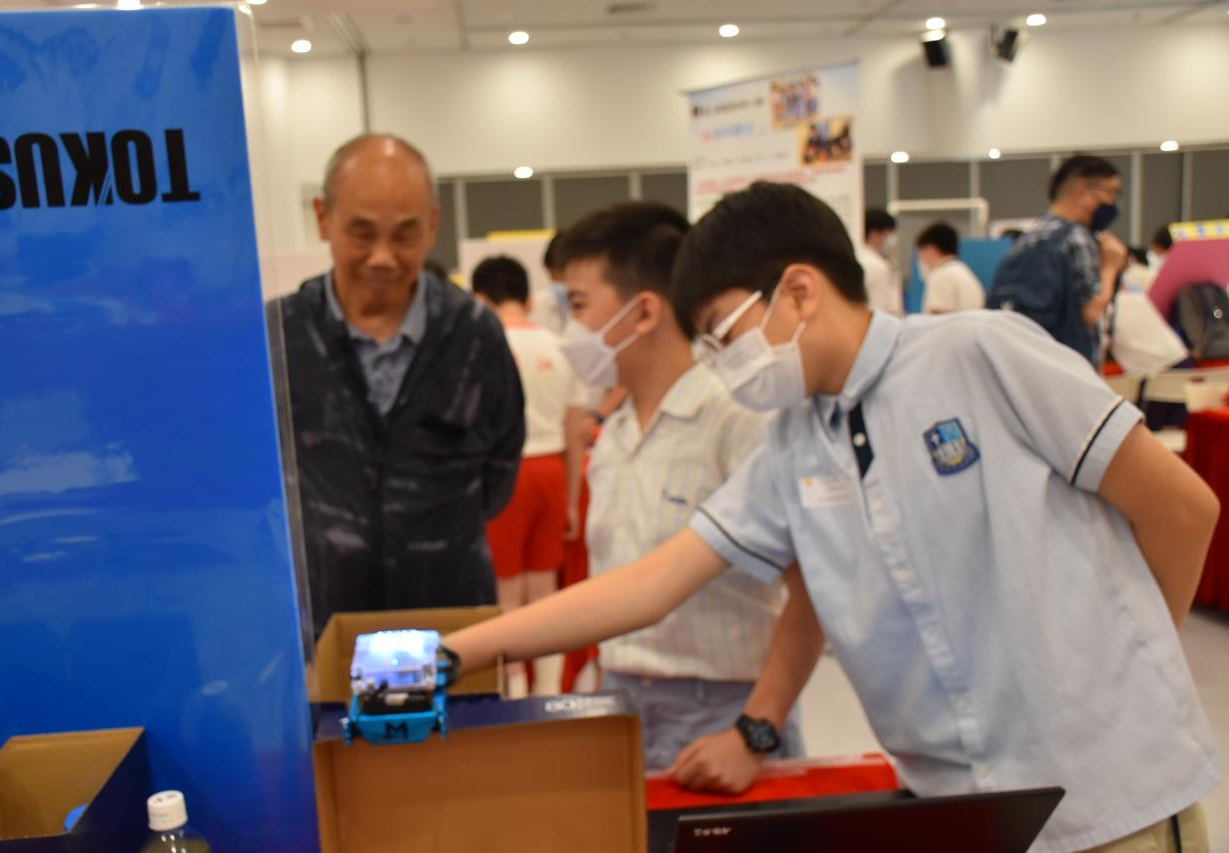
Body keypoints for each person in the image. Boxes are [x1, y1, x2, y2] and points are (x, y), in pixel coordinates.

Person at [445, 181, 1221, 853]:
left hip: (1108, 798)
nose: (721, 363)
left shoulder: (977, 354)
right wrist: (455, 651)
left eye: (725, 332)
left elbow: (1183, 510)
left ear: (799, 291)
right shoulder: (794, 443)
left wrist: (1120, 679)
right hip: (957, 804)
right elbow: (651, 583)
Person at [557, 201, 803, 771]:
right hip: (621, 702)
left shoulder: (735, 419)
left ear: (643, 312)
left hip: (721, 711)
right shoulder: (614, 435)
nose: (569, 329)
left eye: (578, 305)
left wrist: (754, 731)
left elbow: (809, 592)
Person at [271, 134, 525, 638]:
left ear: (432, 224)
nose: (383, 257)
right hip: (322, 626)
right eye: (362, 233)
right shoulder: (280, 336)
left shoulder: (475, 334)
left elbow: (500, 473)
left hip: (452, 622)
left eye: (405, 235)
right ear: (323, 217)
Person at [471, 255, 587, 698]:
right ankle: (550, 688)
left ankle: (515, 691)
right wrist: (572, 499)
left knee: (506, 591)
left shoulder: (484, 346)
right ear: (528, 298)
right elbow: (575, 430)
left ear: (480, 299)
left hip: (507, 475)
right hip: (552, 471)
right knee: (544, 586)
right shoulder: (560, 346)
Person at [988, 155, 1129, 367]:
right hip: (1068, 365)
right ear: (1082, 192)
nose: (1113, 202)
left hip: (1029, 363)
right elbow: (1091, 312)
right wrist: (1110, 266)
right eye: (1111, 192)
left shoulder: (1029, 237)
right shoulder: (1076, 237)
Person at [916, 222, 985, 314]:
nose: (920, 258)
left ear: (930, 249)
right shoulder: (964, 272)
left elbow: (938, 318)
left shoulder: (940, 276)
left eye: (921, 252)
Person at [855, 208, 902, 316]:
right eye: (889, 234)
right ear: (875, 233)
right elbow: (881, 308)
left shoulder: (857, 257)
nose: (890, 240)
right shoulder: (877, 265)